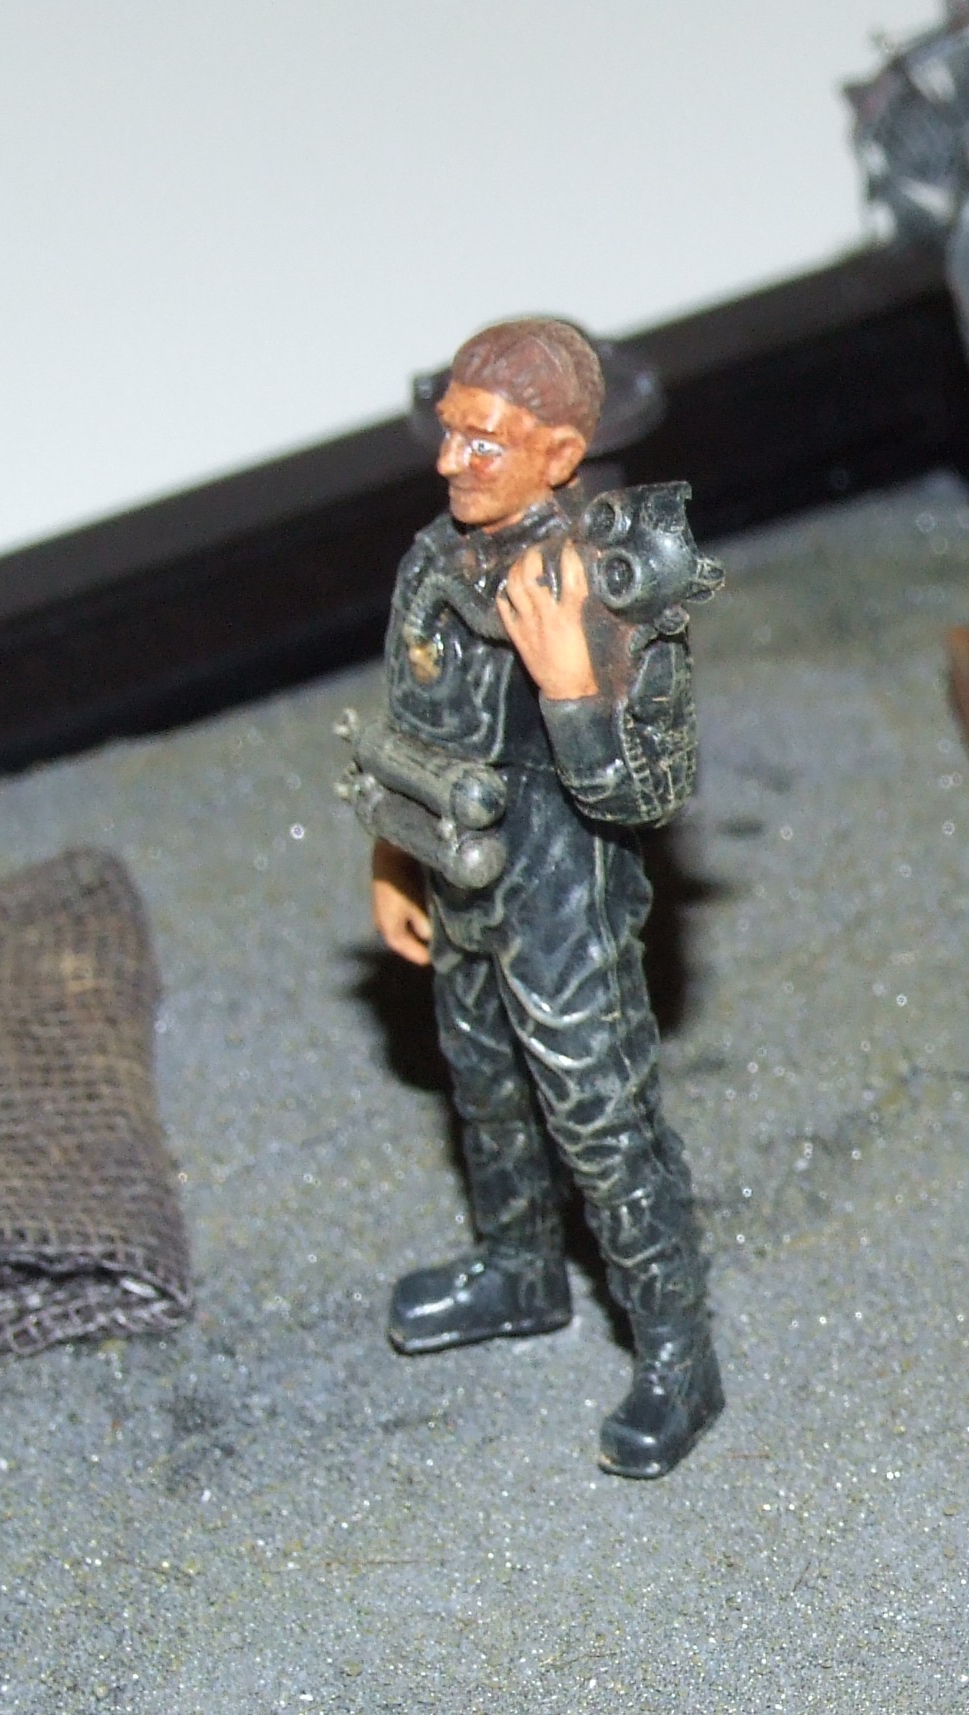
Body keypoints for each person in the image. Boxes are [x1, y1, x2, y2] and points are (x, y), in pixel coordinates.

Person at [365, 316, 721, 1476]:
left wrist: (572, 688)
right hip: (456, 864)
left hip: (565, 888)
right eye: (451, 433)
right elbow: (410, 727)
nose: (449, 462)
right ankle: (519, 1269)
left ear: (562, 455)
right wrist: (391, 860)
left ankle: (677, 1356)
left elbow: (651, 796)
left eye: (485, 441)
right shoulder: (435, 561)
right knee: (481, 1085)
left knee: (602, 1126)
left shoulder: (615, 593)